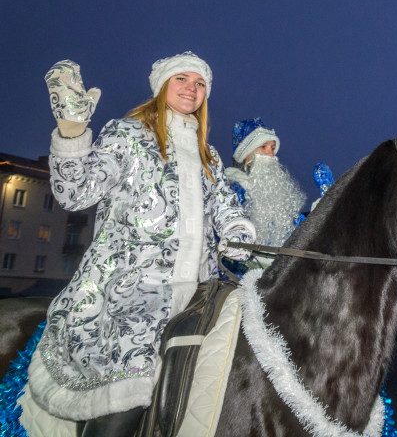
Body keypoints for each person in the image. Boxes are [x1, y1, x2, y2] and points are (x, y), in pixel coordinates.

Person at [23, 53, 255, 437]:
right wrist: (71, 128)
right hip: (131, 291)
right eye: (181, 79)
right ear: (163, 86)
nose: (191, 89)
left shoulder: (208, 155)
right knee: (129, 382)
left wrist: (239, 235)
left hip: (199, 291)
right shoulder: (128, 134)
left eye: (199, 84)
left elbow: (225, 209)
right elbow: (76, 193)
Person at [225, 118, 308, 247]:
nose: (271, 154)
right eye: (263, 147)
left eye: (273, 148)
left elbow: (293, 230)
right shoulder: (231, 190)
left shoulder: (275, 192)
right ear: (245, 154)